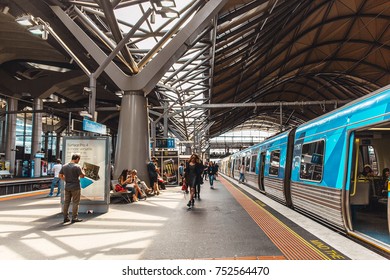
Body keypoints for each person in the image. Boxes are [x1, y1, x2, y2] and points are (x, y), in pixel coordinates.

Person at [59, 153, 85, 223]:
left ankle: (65, 217)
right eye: (79, 159)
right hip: (76, 187)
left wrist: (66, 180)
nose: (79, 161)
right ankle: (74, 218)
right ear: (77, 159)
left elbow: (60, 175)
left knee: (66, 202)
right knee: (75, 202)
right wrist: (83, 170)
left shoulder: (64, 166)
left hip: (67, 186)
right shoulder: (77, 166)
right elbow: (82, 176)